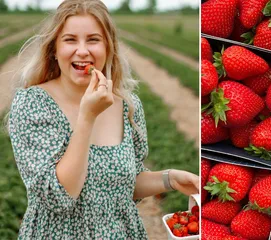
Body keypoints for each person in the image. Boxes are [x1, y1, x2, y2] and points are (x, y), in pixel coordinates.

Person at [6, 0, 199, 239]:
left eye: (93, 39)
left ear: (108, 48)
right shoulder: (33, 103)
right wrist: (87, 118)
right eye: (70, 39)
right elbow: (57, 198)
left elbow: (121, 185)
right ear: (54, 49)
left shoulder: (127, 106)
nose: (83, 50)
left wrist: (170, 179)